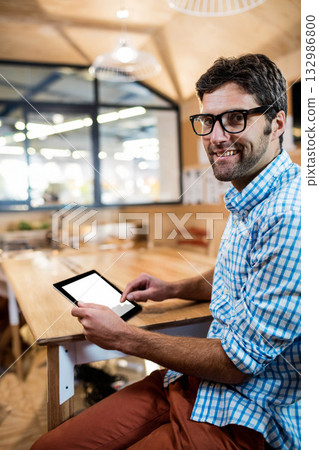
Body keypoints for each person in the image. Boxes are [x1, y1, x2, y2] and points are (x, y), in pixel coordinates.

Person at [32, 54, 300, 450]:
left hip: (248, 415)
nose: (217, 136)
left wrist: (125, 337)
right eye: (209, 121)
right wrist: (170, 288)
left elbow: (238, 364)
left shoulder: (291, 214)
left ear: (277, 123)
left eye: (236, 118)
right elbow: (236, 280)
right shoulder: (250, 196)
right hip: (189, 383)